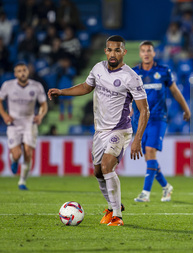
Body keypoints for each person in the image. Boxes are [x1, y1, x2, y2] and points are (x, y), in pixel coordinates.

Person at [48, 35, 149, 226]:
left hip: (119, 130)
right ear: (105, 51)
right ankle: (113, 206)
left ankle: (117, 216)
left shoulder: (131, 77)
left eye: (117, 50)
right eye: (110, 49)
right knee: (97, 172)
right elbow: (86, 87)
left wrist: (137, 139)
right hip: (100, 131)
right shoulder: (98, 68)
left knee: (107, 165)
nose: (113, 53)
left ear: (124, 52)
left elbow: (144, 110)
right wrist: (62, 92)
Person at [132, 41, 191, 202]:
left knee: (150, 152)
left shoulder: (163, 71)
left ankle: (145, 193)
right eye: (143, 50)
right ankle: (166, 187)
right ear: (140, 54)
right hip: (139, 120)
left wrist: (186, 108)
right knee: (149, 158)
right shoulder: (134, 73)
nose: (146, 53)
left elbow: (175, 92)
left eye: (149, 50)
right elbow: (128, 95)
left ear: (154, 53)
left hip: (158, 118)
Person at [0, 62, 48, 190]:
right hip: (14, 124)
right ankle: (13, 159)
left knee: (28, 152)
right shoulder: (8, 86)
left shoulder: (36, 86)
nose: (22, 73)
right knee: (17, 154)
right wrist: (4, 115)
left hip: (29, 123)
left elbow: (43, 104)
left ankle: (22, 182)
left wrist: (40, 116)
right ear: (15, 74)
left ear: (28, 72)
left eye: (24, 70)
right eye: (19, 71)